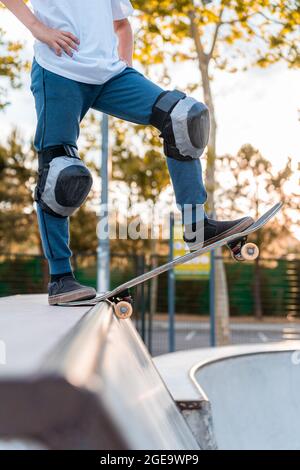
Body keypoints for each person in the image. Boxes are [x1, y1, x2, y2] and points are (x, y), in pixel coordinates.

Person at [3, 0, 253, 305]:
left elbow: (121, 25)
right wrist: (38, 28)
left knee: (185, 118)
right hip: (59, 69)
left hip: (110, 74)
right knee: (61, 173)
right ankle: (61, 278)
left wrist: (125, 65)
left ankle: (196, 225)